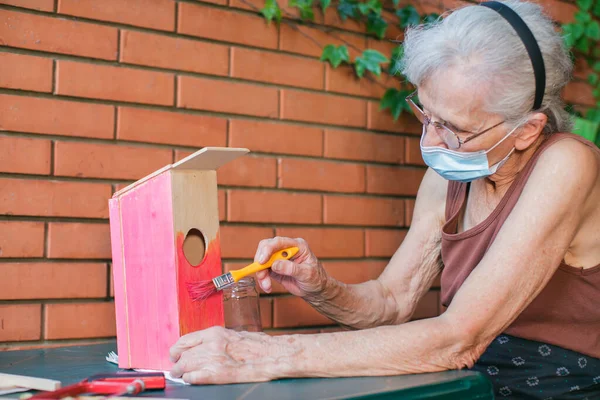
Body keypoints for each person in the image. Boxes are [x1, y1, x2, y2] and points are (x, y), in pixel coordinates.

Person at [169, 0, 600, 398]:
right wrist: (321, 287)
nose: (430, 140)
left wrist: (268, 355)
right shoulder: (445, 175)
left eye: (454, 128)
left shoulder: (566, 163)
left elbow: (459, 339)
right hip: (474, 380)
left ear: (526, 129)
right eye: (425, 114)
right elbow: (391, 303)